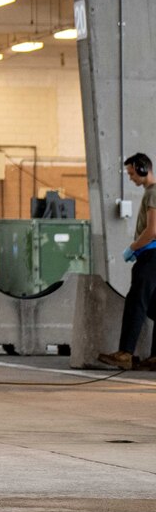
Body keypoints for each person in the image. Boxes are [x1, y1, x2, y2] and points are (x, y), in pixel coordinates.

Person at [98, 152, 156, 369]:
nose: (130, 177)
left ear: (143, 169)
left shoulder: (153, 193)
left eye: (132, 173)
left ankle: (125, 353)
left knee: (136, 303)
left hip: (150, 256)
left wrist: (132, 248)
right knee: (154, 305)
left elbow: (152, 231)